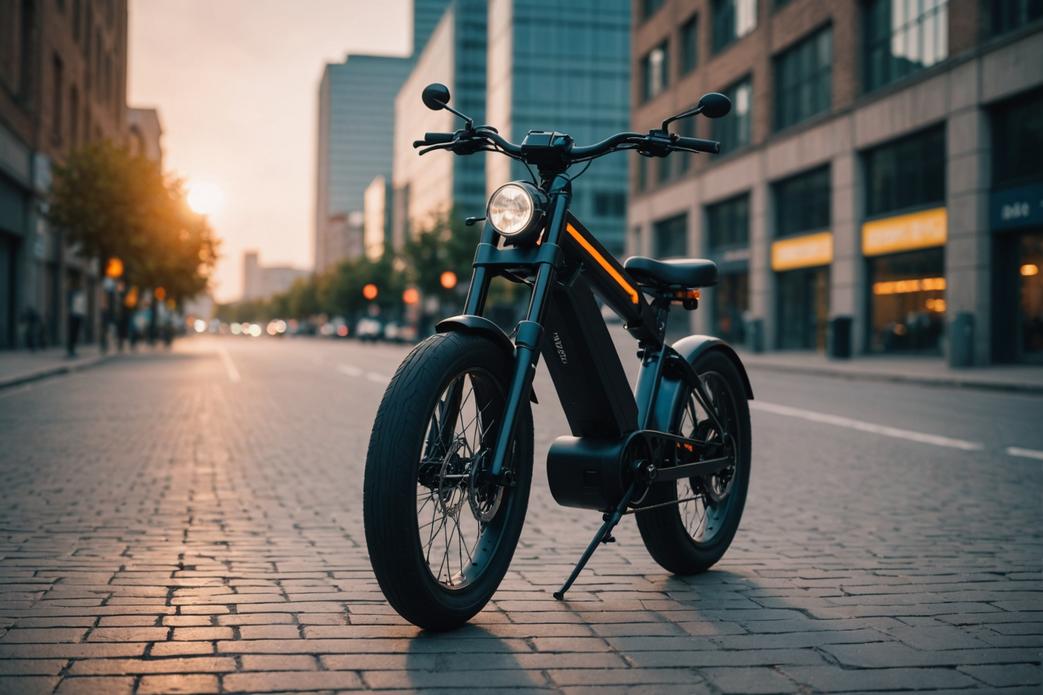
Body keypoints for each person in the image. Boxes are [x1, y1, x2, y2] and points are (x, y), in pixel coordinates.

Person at [67, 281, 87, 357]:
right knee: (72, 333)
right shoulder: (73, 294)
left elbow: (82, 307)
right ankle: (70, 349)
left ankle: (72, 349)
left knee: (75, 334)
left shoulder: (80, 295)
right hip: (74, 317)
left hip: (78, 316)